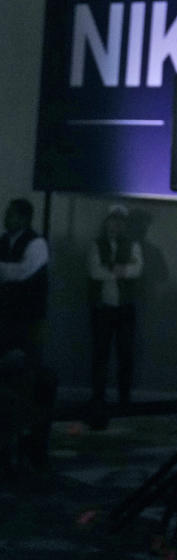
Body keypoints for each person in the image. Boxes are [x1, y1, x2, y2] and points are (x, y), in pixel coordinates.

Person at [0, 198, 57, 471]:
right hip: (6, 318)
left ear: (24, 218)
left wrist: (3, 270)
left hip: (29, 319)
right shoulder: (4, 242)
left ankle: (30, 437)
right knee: (10, 376)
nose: (6, 218)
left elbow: (24, 272)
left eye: (11, 215)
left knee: (29, 375)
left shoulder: (37, 244)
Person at [88, 204, 143, 416]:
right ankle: (98, 397)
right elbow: (94, 272)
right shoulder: (96, 245)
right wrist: (120, 269)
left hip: (125, 309)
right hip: (102, 308)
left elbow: (137, 270)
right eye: (112, 220)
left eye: (120, 221)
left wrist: (109, 268)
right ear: (106, 222)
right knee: (100, 354)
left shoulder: (133, 245)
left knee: (125, 355)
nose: (115, 225)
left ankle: (124, 399)